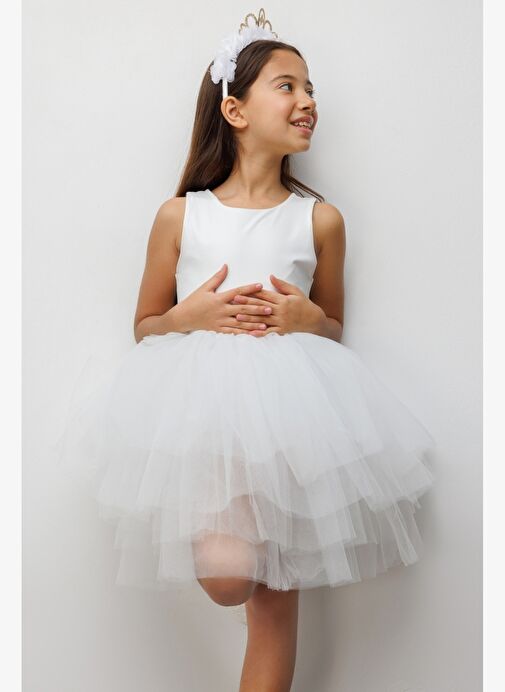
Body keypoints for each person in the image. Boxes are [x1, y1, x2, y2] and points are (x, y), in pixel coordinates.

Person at [55, 8, 435, 691]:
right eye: (287, 87)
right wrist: (188, 315)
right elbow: (145, 323)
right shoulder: (182, 214)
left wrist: (307, 317)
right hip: (202, 416)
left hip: (295, 416)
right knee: (230, 575)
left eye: (310, 88)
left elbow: (333, 325)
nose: (307, 101)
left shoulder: (319, 219)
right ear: (234, 110)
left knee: (274, 598)